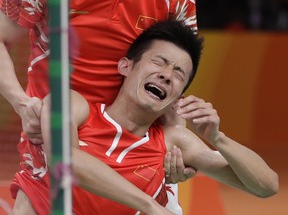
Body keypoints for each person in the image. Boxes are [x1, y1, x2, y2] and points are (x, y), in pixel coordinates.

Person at [39, 19, 278, 214]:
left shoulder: (172, 142)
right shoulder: (72, 105)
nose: (166, 75)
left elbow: (266, 186)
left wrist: (217, 138)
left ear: (177, 97)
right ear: (125, 66)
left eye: (178, 74)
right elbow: (65, 162)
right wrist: (149, 205)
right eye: (159, 62)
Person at [0, 0, 197, 214]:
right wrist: (22, 103)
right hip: (58, 132)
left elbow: (177, 69)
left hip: (137, 148)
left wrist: (176, 154)